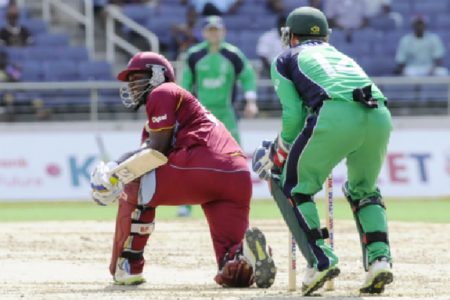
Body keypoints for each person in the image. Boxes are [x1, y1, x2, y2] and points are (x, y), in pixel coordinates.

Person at [89, 51, 276, 288]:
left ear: (157, 75)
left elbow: (155, 152)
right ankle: (246, 253)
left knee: (134, 180)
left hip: (202, 163)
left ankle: (128, 264)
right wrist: (116, 167)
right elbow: (151, 146)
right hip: (236, 174)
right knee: (232, 272)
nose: (131, 85)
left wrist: (115, 173)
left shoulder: (163, 91)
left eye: (136, 77)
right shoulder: (172, 106)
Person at [252, 7, 393, 296]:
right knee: (364, 190)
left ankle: (321, 261)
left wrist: (278, 152)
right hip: (379, 113)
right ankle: (380, 261)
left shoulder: (286, 57)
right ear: (326, 36)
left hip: (335, 114)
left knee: (293, 187)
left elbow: (293, 118)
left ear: (290, 36)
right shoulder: (340, 56)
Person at [179, 15, 258, 217]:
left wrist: (251, 100)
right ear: (204, 32)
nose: (214, 33)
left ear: (223, 31)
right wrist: (181, 109)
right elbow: (185, 85)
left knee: (235, 157)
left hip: (226, 113)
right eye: (210, 30)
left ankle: (240, 200)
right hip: (200, 115)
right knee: (191, 156)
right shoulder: (194, 55)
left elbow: (248, 76)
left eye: (217, 30)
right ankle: (185, 204)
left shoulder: (232, 55)